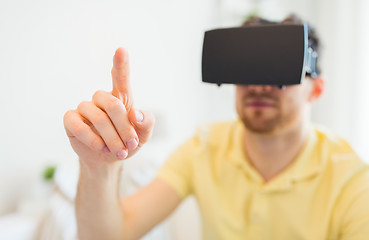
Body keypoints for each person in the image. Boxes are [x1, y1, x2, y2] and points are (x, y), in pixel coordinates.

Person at [63, 14, 369, 240]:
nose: (259, 85)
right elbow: (110, 235)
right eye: (247, 67)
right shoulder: (203, 147)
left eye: (278, 68)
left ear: (315, 89)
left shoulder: (352, 179)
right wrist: (98, 168)